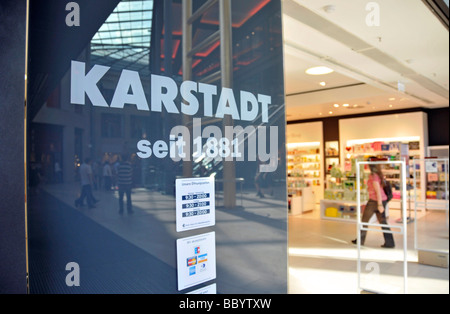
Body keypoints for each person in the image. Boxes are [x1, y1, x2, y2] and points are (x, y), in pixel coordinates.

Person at [352, 160, 395, 248]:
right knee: (383, 222)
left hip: (375, 201)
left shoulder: (373, 176)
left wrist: (379, 204)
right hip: (381, 200)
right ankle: (390, 242)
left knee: (365, 220)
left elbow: (378, 191)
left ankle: (360, 240)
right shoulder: (379, 174)